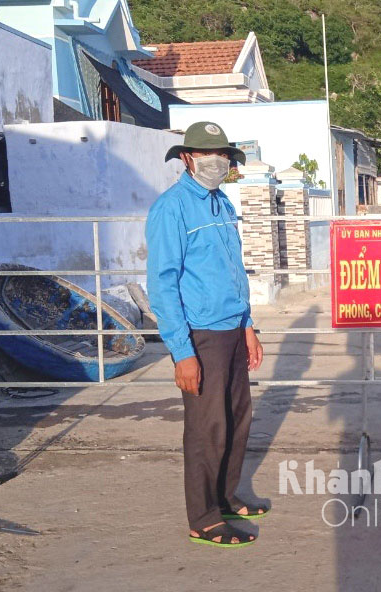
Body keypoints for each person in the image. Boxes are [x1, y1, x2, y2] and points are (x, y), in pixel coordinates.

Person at [146, 121, 266, 548]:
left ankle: (226, 497)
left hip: (232, 330)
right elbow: (162, 284)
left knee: (237, 419)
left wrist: (248, 325)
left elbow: (233, 272)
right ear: (186, 158)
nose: (217, 162)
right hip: (201, 336)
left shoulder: (220, 204)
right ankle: (203, 518)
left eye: (223, 155)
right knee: (206, 427)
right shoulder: (172, 208)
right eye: (206, 153)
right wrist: (182, 352)